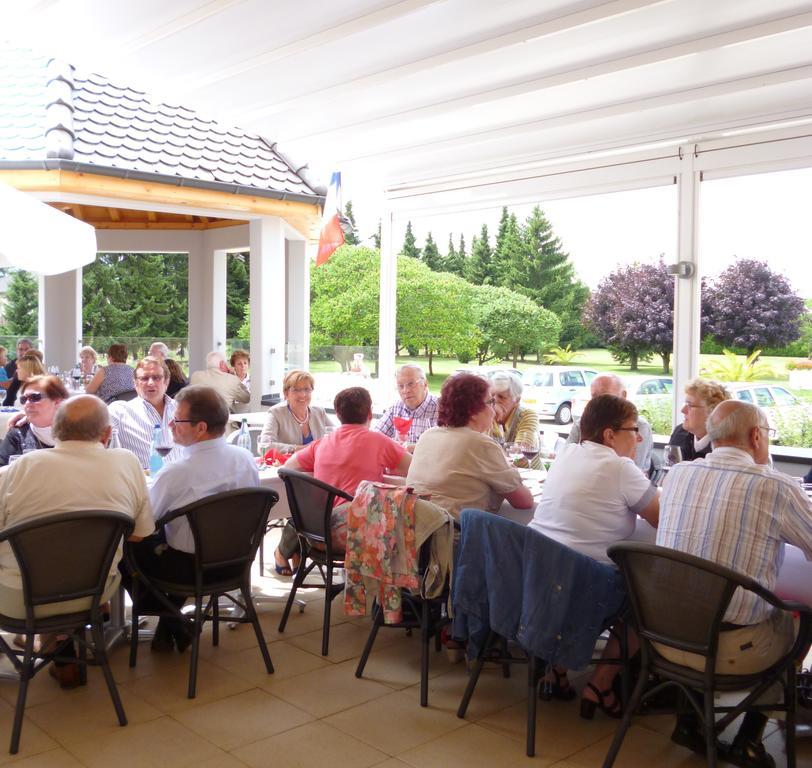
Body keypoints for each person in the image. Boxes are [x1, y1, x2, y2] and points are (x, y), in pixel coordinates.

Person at [658, 400, 812, 767]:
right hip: (727, 651)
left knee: (704, 596)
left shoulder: (678, 474)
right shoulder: (776, 487)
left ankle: (690, 721)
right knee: (797, 616)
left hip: (661, 639)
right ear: (757, 436)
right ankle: (749, 738)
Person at [0, 395, 154, 685]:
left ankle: (56, 648)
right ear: (107, 434)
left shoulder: (20, 468)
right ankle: (62, 647)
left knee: (35, 566)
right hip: (92, 593)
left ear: (55, 432)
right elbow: (140, 534)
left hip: (20, 599)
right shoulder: (127, 462)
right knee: (69, 566)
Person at [530, 394, 659, 717]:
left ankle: (556, 670)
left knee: (578, 568)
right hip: (586, 585)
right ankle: (600, 684)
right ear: (609, 435)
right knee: (647, 602)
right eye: (634, 429)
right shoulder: (619, 467)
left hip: (540, 578)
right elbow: (662, 519)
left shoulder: (568, 453)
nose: (640, 437)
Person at [124, 385, 260, 652]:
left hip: (190, 571)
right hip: (236, 563)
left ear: (200, 428)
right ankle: (171, 626)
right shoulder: (245, 458)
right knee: (175, 539)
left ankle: (174, 621)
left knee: (126, 547)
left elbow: (143, 525)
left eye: (178, 420)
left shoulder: (178, 472)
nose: (171, 425)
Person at [273, 386, 410, 575]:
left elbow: (288, 467)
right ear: (370, 413)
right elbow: (413, 468)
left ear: (337, 415)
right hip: (356, 536)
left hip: (314, 534)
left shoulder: (322, 443)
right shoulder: (378, 441)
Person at [407, 372, 534, 520]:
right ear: (473, 411)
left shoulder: (428, 435)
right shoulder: (479, 444)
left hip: (415, 534)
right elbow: (524, 502)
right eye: (491, 402)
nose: (494, 409)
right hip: (454, 538)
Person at [567, 373, 653, 472]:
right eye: (594, 396)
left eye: (605, 396)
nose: (598, 402)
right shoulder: (581, 423)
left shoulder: (638, 427)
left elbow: (632, 470)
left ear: (623, 396)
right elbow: (566, 457)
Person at [108, 356, 182, 469]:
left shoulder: (182, 410)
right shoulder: (120, 411)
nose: (150, 383)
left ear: (166, 381)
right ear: (135, 383)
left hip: (183, 480)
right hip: (145, 483)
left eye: (156, 377)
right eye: (144, 378)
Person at [0, 375, 69, 465]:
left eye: (35, 397)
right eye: (24, 399)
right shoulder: (17, 435)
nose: (27, 403)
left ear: (57, 401)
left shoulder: (77, 434)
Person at [260, 369, 332, 453]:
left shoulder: (319, 412)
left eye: (306, 389)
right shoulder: (276, 413)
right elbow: (264, 446)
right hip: (287, 465)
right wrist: (302, 448)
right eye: (296, 390)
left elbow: (339, 434)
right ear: (286, 393)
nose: (302, 394)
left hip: (318, 464)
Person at [373, 363, 439, 447]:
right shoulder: (396, 408)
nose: (406, 390)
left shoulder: (441, 409)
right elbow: (376, 437)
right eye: (400, 386)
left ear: (425, 384)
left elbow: (443, 447)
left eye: (411, 384)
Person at [666, 377, 731, 461]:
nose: (683, 410)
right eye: (685, 404)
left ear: (713, 412)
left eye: (690, 405)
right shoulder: (679, 433)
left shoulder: (726, 445)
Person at [488, 371, 540, 466]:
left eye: (501, 397)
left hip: (532, 477)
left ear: (517, 400)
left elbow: (521, 456)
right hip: (501, 477)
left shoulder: (527, 415)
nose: (494, 400)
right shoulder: (485, 417)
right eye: (492, 395)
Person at [2, 338, 33, 403]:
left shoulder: (36, 365)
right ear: (17, 350)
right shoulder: (9, 367)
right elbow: (6, 388)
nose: (23, 352)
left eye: (26, 349)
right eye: (20, 349)